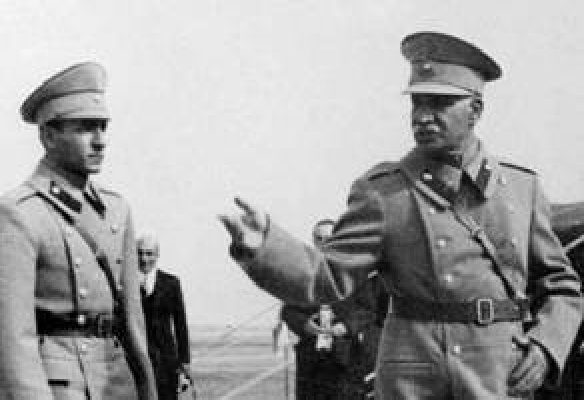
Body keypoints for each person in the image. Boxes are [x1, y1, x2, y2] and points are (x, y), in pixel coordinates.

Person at [219, 31, 584, 399]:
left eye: (439, 103)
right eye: (417, 103)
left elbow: (562, 286)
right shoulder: (384, 193)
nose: (422, 117)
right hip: (413, 380)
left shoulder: (521, 188)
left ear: (475, 110)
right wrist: (265, 248)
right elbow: (326, 277)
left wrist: (546, 347)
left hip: (499, 376)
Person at [0, 62, 157, 399]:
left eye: (103, 127)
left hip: (117, 385)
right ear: (49, 136)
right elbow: (8, 343)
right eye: (86, 128)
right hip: (60, 389)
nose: (100, 141)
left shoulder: (116, 210)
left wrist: (146, 389)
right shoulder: (16, 215)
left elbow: (133, 326)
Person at [281, 219, 387, 400]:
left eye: (329, 238)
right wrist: (305, 324)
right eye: (319, 238)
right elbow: (288, 311)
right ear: (313, 241)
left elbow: (369, 310)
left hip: (347, 358)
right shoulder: (303, 275)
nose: (324, 243)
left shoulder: (356, 273)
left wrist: (346, 326)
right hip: (311, 361)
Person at [137, 232, 192, 400]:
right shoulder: (126, 284)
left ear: (157, 255)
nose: (144, 259)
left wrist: (185, 362)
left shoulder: (171, 283)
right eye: (140, 253)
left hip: (166, 362)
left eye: (149, 253)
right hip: (137, 360)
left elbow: (180, 324)